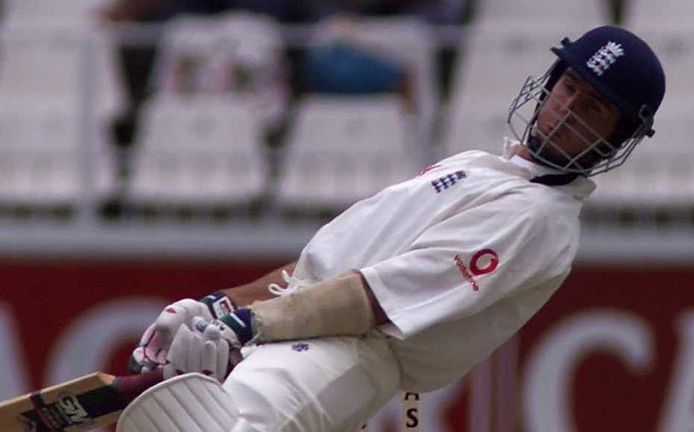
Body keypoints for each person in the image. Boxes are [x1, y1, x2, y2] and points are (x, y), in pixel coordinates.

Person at [118, 25, 665, 432]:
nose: (568, 111)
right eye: (569, 88)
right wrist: (215, 306)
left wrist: (244, 325)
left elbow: (370, 301)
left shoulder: (539, 220)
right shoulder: (478, 165)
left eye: (594, 108)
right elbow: (316, 273)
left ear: (617, 138)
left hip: (349, 355)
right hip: (298, 334)